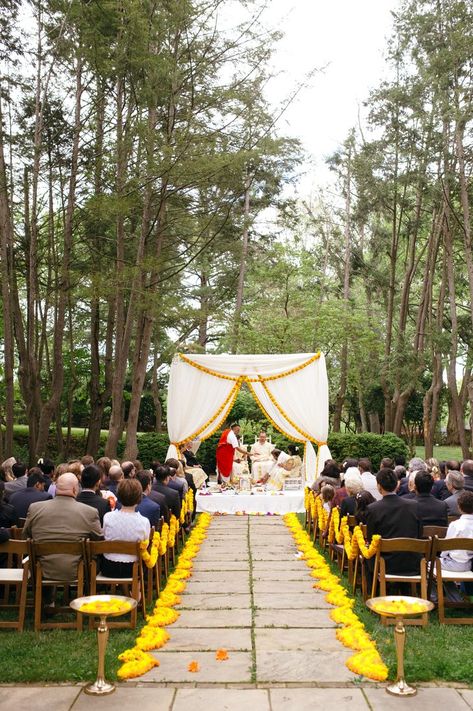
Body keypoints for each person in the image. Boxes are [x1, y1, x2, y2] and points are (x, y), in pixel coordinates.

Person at [22, 473, 102, 581]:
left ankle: (45, 596)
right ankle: (86, 594)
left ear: (56, 489)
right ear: (75, 490)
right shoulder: (89, 512)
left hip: (41, 570)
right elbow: (99, 542)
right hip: (78, 571)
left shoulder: (35, 508)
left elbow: (25, 536)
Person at [366, 468, 421, 575]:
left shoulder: (373, 509)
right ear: (397, 485)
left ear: (379, 487)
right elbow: (419, 533)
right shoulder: (414, 505)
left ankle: (371, 590)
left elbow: (371, 538)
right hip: (411, 561)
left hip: (384, 563)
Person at [101, 478, 150, 578]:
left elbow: (105, 536)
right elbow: (146, 544)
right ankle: (136, 591)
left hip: (109, 567)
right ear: (139, 497)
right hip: (133, 568)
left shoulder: (108, 517)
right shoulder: (143, 521)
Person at [438, 491, 473, 601]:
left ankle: (452, 599)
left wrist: (442, 557)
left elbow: (446, 548)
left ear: (459, 507)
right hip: (469, 564)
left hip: (454, 563)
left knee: (428, 566)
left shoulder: (455, 525)